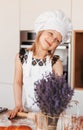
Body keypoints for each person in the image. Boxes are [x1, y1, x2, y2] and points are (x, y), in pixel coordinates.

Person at [8, 10, 72, 119]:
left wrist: (49, 112)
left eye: (57, 40)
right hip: (27, 114)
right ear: (41, 31)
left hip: (48, 115)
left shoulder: (56, 63)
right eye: (50, 33)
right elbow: (18, 82)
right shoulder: (21, 57)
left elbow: (57, 92)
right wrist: (18, 105)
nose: (52, 40)